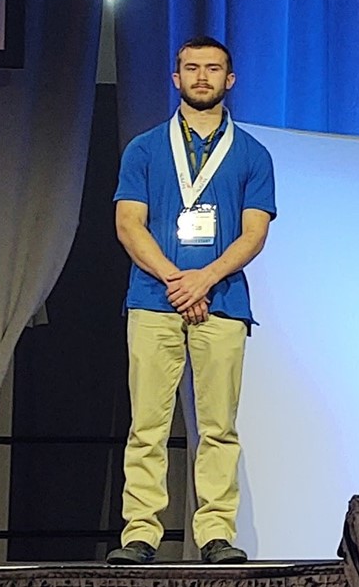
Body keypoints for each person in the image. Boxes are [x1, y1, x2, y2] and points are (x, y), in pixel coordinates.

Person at [106, 36, 276, 564]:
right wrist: (179, 280)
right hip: (154, 300)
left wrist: (204, 280)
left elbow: (254, 233)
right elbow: (127, 224)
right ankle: (140, 533)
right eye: (191, 68)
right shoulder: (145, 148)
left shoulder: (251, 153)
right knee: (148, 425)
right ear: (175, 79)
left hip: (222, 303)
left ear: (231, 80)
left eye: (214, 68)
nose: (202, 76)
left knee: (218, 427)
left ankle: (216, 535)